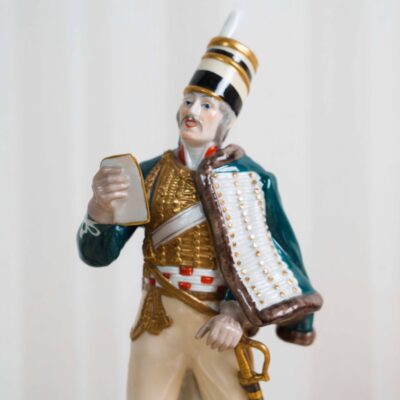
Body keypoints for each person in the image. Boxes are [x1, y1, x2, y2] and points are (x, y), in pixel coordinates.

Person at [77, 34, 322, 400]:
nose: (192, 111)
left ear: (226, 120)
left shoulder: (252, 181)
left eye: (207, 105)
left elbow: (275, 257)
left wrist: (237, 314)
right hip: (157, 322)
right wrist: (99, 209)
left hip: (219, 327)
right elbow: (98, 255)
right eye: (188, 101)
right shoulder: (147, 174)